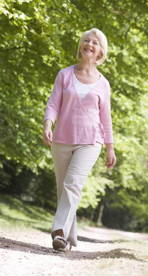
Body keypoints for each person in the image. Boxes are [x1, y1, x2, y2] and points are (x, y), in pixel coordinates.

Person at [43, 28, 116, 252]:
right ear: (81, 45)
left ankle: (58, 232)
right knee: (63, 188)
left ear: (100, 52)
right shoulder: (64, 74)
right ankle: (69, 237)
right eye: (86, 40)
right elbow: (54, 102)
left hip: (90, 141)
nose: (89, 44)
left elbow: (106, 118)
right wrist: (48, 123)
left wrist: (110, 147)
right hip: (62, 139)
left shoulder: (103, 84)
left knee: (72, 184)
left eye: (94, 42)